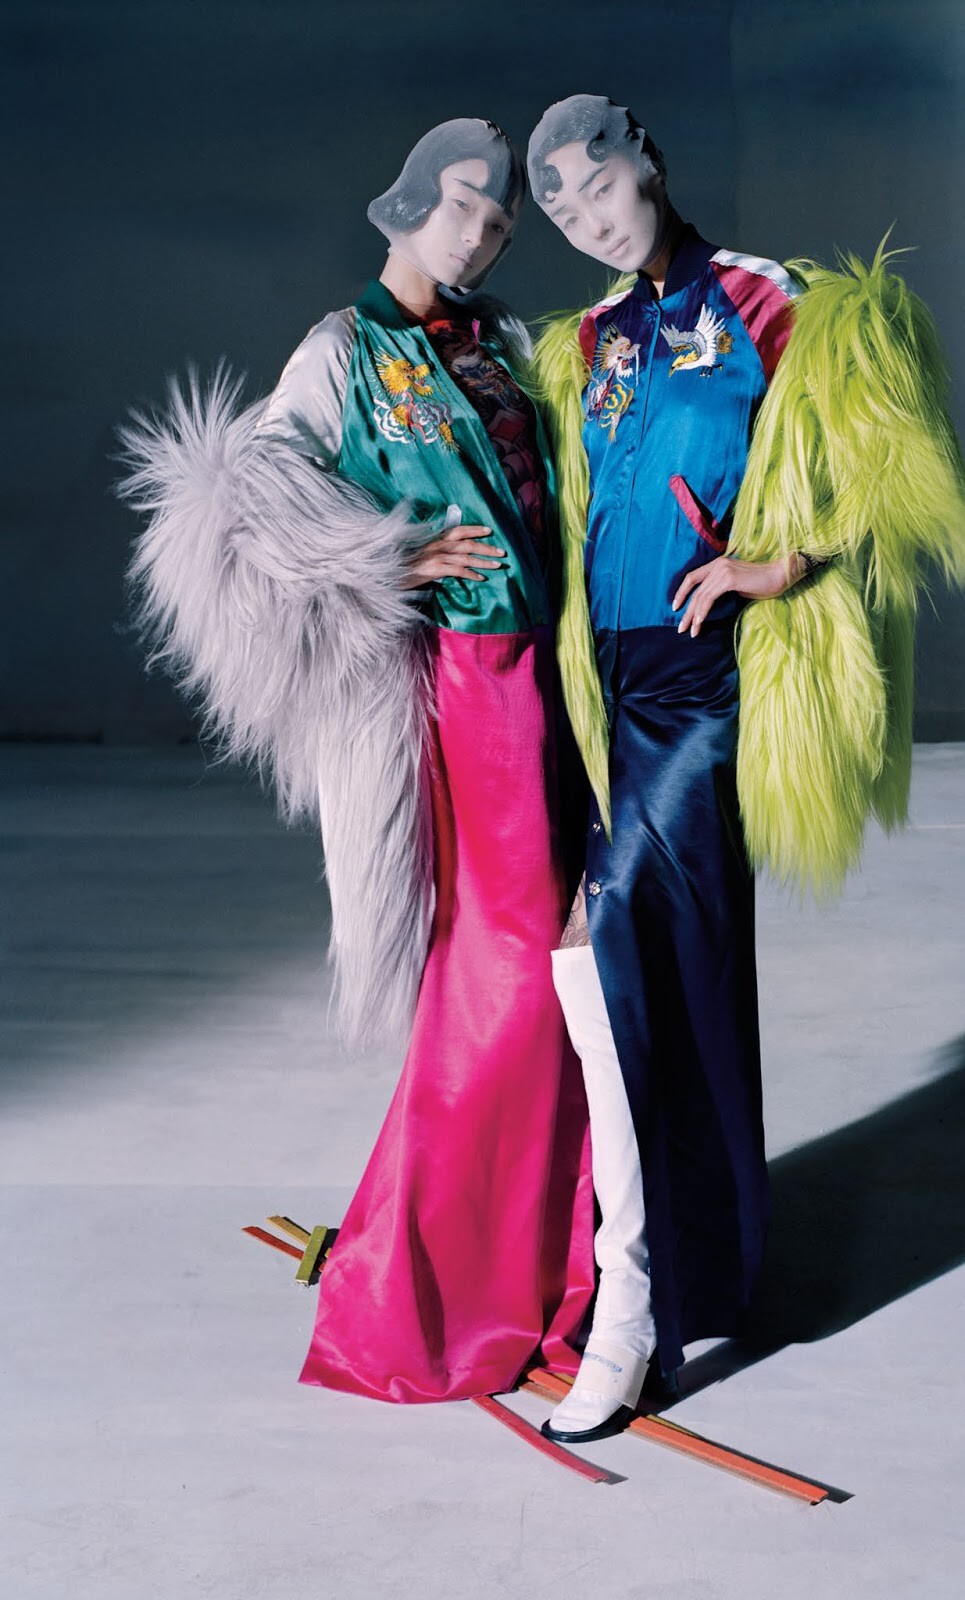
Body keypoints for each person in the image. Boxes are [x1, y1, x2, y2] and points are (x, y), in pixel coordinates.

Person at [526, 95, 965, 1442]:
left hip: (702, 687)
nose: (588, 216)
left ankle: (630, 1309)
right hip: (601, 688)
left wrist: (780, 563)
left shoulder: (769, 300)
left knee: (610, 956)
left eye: (599, 182)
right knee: (665, 977)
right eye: (559, 207)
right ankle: (704, 1266)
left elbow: (895, 460)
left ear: (649, 160)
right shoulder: (590, 340)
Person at [118, 119, 595, 1404]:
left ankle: (547, 1258)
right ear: (403, 205)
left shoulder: (501, 341)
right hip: (471, 690)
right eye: (463, 205)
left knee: (559, 978)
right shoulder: (342, 349)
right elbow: (246, 499)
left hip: (553, 680)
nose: (483, 232)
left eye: (501, 219)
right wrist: (385, 555)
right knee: (504, 977)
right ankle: (443, 1289)